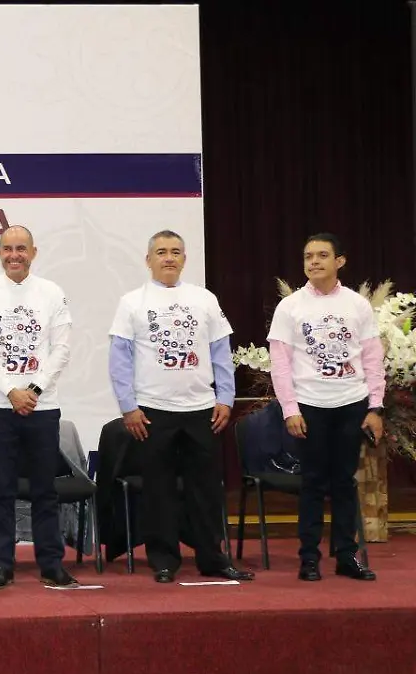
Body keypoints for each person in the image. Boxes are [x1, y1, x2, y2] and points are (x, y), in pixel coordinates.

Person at [108, 230, 254, 583]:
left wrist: (225, 398)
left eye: (175, 251)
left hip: (202, 410)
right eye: (161, 252)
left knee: (206, 489)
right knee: (157, 490)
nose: (169, 258)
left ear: (184, 259)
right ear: (149, 260)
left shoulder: (204, 299)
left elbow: (221, 352)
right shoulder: (132, 302)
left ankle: (212, 558)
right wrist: (128, 407)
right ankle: (163, 560)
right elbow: (119, 359)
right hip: (152, 411)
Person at [0, 225, 78, 589]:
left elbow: (61, 348)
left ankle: (51, 564)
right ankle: (3, 564)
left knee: (45, 488)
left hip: (43, 407)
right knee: (2, 487)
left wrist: (33, 389)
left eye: (21, 249)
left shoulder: (52, 293)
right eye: (8, 249)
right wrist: (11, 391)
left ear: (33, 252)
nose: (15, 255)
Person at [268, 233, 381, 581]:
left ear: (339, 261)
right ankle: (309, 558)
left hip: (351, 403)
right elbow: (280, 363)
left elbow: (373, 357)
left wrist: (375, 407)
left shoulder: (357, 305)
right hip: (310, 406)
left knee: (345, 482)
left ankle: (346, 556)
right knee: (313, 482)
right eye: (308, 256)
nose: (314, 262)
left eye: (322, 255)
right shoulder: (290, 306)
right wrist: (290, 409)